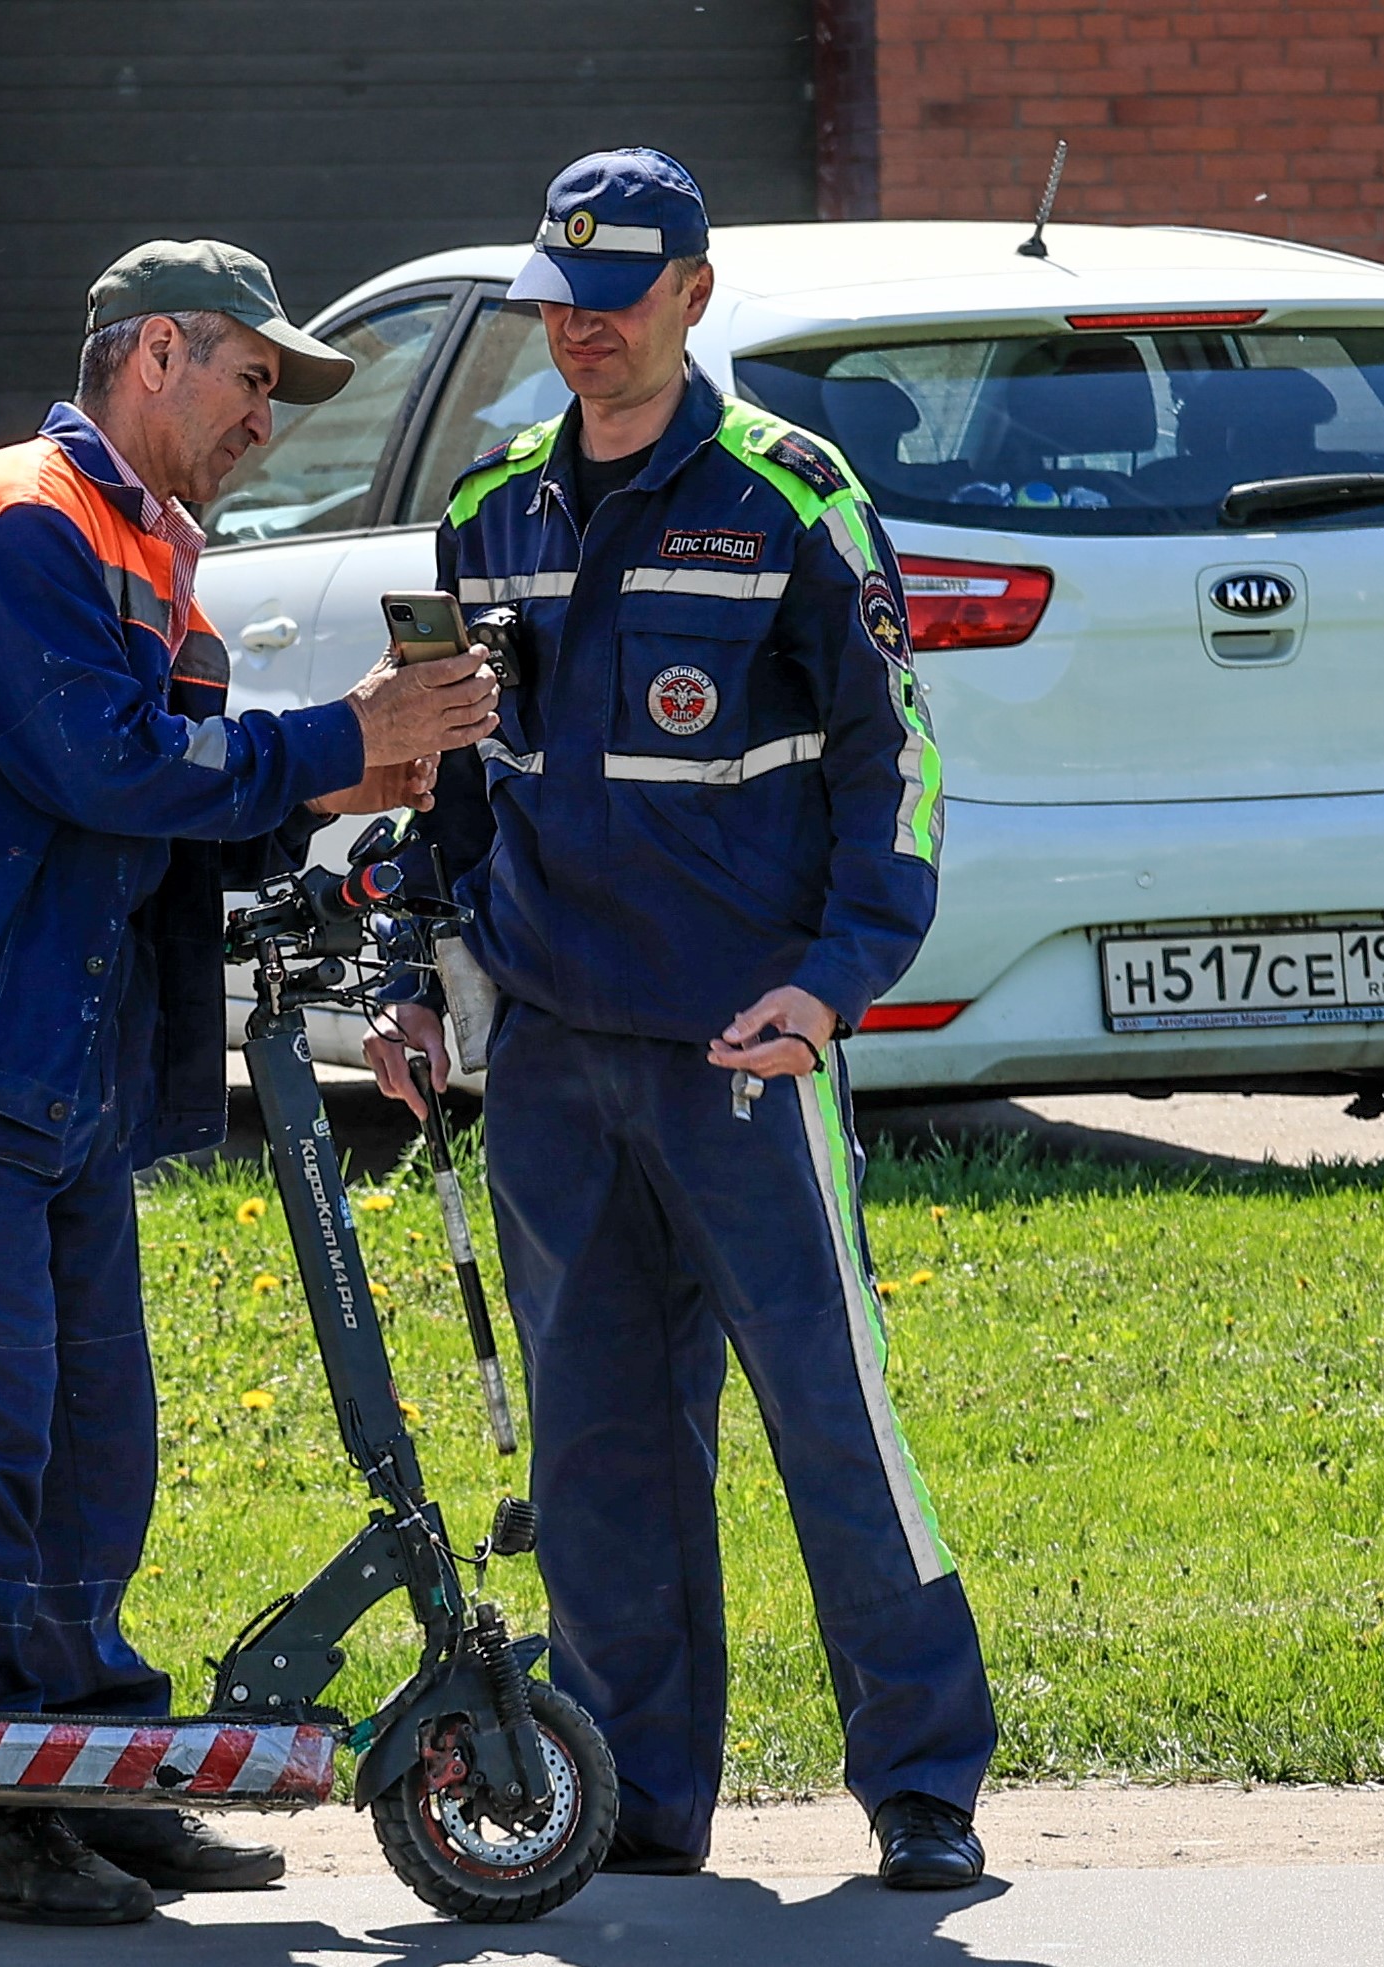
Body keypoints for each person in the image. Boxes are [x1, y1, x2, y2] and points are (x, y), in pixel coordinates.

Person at [0, 239, 498, 1926]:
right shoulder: (26, 512)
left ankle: (94, 1764)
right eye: (258, 381)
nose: (270, 422)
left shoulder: (149, 543)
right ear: (156, 353)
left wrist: (337, 792)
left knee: (97, 1420)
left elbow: (169, 801)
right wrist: (336, 737)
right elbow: (102, 765)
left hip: (59, 1039)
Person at [362, 150, 994, 1889]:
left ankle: (924, 1789)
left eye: (617, 296)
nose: (581, 330)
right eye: (558, 300)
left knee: (830, 1423)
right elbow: (452, 784)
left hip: (747, 1052)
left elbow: (903, 761)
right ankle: (634, 1802)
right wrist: (423, 976)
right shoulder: (490, 513)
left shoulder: (794, 496)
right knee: (597, 1456)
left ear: (694, 297)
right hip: (556, 1058)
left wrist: (838, 977)